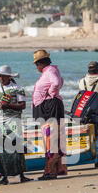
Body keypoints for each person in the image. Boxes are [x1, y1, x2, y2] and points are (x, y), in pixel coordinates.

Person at [0, 65, 32, 185]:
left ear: (8, 76)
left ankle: (22, 175)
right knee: (2, 148)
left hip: (14, 120)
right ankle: (4, 176)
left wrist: (8, 106)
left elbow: (23, 105)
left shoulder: (17, 88)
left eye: (1, 75)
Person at [32, 50, 67, 181]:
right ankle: (58, 169)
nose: (36, 67)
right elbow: (61, 81)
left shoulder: (50, 71)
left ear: (41, 63)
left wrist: (50, 94)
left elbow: (57, 82)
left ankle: (51, 171)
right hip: (48, 106)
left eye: (36, 64)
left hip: (50, 107)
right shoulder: (50, 71)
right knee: (54, 137)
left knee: (50, 138)